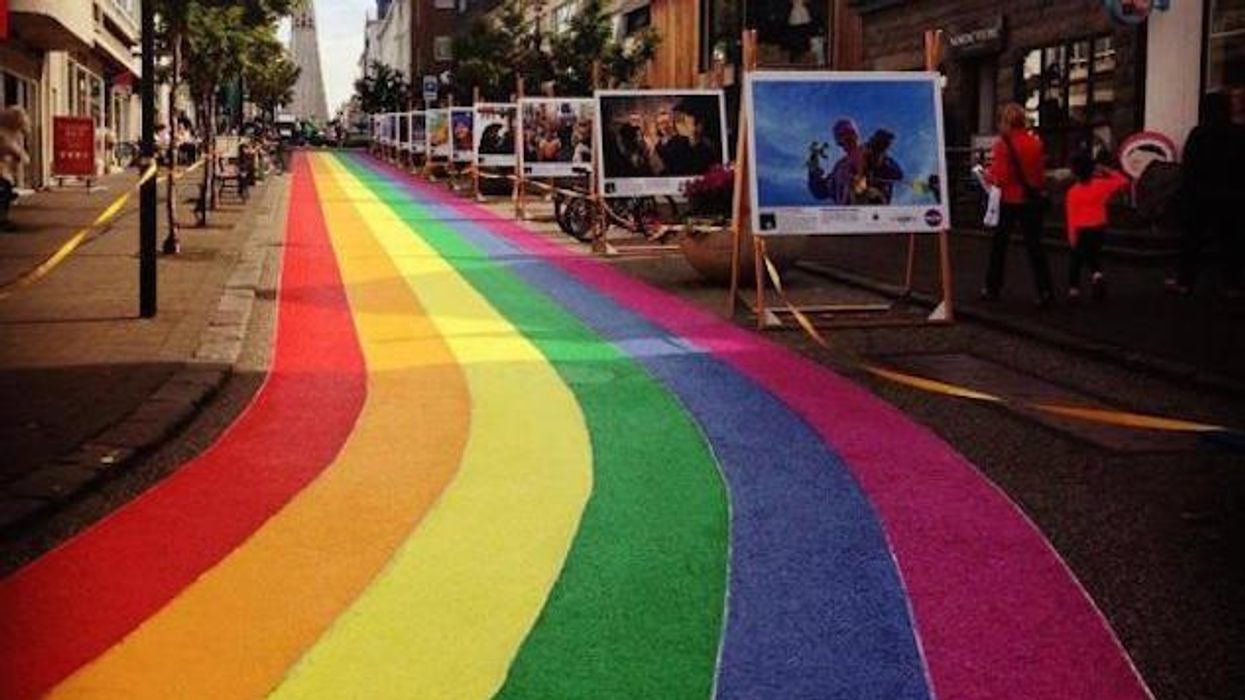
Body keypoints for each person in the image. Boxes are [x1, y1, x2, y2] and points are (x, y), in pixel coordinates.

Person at [1168, 91, 1245, 297]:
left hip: (1200, 196)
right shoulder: (1239, 133)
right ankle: (1232, 285)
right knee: (1231, 241)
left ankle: (1184, 282)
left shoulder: (1199, 134)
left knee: (1192, 241)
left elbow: (1189, 167)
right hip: (1231, 196)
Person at [982, 102, 1055, 306]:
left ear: (1005, 121)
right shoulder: (1035, 143)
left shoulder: (1002, 145)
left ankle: (992, 287)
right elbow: (1040, 176)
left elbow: (1001, 176)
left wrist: (987, 175)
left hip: (1008, 200)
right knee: (1035, 247)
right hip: (1031, 200)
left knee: (999, 247)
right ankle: (1045, 290)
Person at [1064, 150, 1128, 300]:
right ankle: (1097, 277)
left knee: (1076, 260)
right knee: (1092, 255)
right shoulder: (1101, 185)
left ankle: (1074, 290)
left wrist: (1072, 238)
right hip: (1099, 226)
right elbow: (1123, 180)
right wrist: (1105, 169)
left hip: (1082, 228)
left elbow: (1071, 217)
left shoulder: (1073, 192)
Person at [0, 106, 31, 232]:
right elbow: (12, 148)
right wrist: (22, 156)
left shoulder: (12, 133)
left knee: (6, 193)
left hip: (5, 170)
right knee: (3, 193)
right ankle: (2, 220)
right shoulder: (3, 134)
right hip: (2, 171)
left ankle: (3, 218)